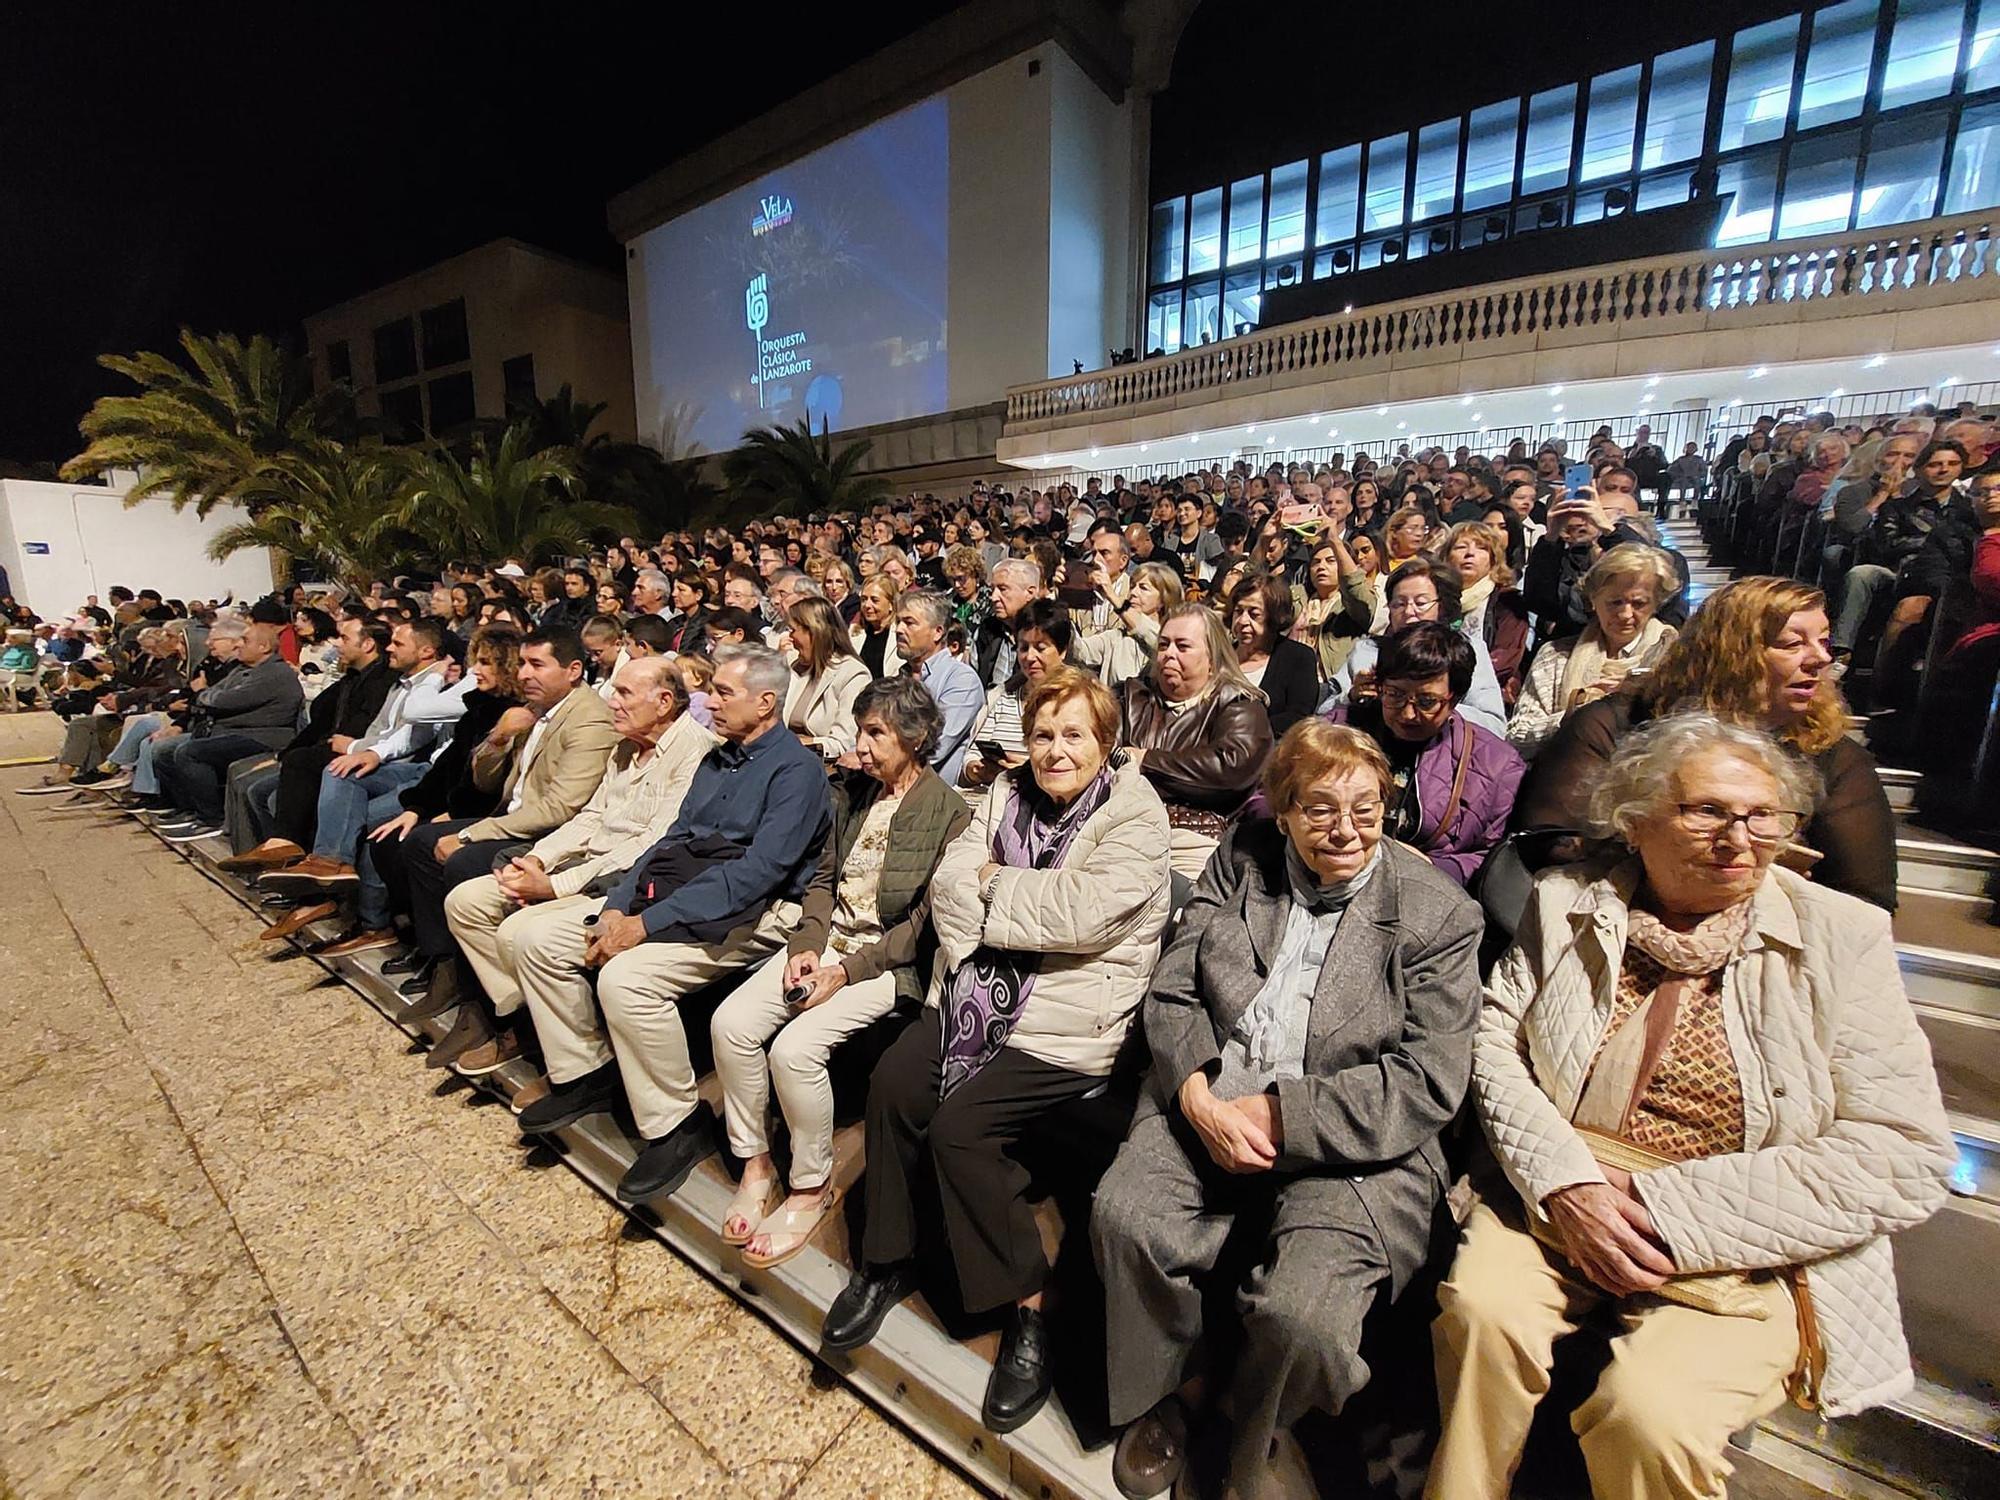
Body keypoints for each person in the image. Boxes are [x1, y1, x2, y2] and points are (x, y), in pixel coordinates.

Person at [1430, 714, 1955, 1500]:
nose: (1739, 836)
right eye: (1707, 810)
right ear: (1637, 822)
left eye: (1763, 814)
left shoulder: (1843, 936)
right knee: (1480, 1312)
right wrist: (1565, 1182)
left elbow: (1906, 1153)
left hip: (1753, 1226)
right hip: (1564, 1187)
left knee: (1653, 1414)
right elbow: (1493, 1043)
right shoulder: (1566, 899)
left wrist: (1665, 1208)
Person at [1093, 720, 1482, 1500]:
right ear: (1282, 809)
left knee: (1305, 1318)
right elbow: (1174, 988)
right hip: (1218, 1090)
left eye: (1366, 811)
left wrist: (1278, 1116)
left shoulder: (1438, 915)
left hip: (1356, 1144)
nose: (1346, 832)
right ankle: (1179, 1386)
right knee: (1125, 1213)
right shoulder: (1243, 861)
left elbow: (1427, 1081)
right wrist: (1199, 1097)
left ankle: (1249, 1430)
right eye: (1321, 811)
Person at [821, 669, 1173, 1435]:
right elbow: (950, 886)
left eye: (1073, 734)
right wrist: (1001, 898)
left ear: (1104, 742)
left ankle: (1030, 1309)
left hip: (1066, 1024)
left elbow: (1083, 915)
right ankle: (887, 1259)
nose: (1054, 750)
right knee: (893, 1084)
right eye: (1043, 733)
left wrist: (993, 890)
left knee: (961, 1129)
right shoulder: (1004, 792)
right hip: (975, 996)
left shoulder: (1133, 814)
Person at [511, 643, 833, 1204]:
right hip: (680, 893)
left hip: (751, 914)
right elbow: (670, 841)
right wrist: (618, 902)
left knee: (627, 978)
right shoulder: (717, 760)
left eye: (722, 693)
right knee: (533, 935)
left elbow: (756, 875)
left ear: (765, 703)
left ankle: (676, 1125)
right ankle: (585, 1071)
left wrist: (646, 923)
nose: (708, 701)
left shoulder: (797, 772)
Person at [710, 677, 972, 1265]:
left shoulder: (949, 813)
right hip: (827, 943)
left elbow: (920, 928)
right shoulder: (852, 793)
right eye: (861, 729)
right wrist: (807, 943)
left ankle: (810, 1185)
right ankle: (754, 1164)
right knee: (731, 1024)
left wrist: (845, 971)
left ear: (917, 736)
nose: (862, 744)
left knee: (794, 1051)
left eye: (876, 732)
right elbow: (824, 880)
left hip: (884, 963)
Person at [1514, 577, 1897, 912]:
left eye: (1824, 641)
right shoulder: (1618, 723)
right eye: (1791, 644)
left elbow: (1866, 896)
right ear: (1730, 653)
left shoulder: (1833, 754)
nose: (1821, 658)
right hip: (1615, 915)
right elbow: (1546, 840)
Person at [436, 655, 719, 1083]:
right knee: (466, 902)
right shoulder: (626, 745)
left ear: (664, 702)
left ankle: (584, 1062)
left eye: (623, 693)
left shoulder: (695, 751)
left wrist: (555, 886)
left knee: (523, 933)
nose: (612, 702)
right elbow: (591, 817)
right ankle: (530, 1022)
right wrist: (537, 860)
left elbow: (654, 843)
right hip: (586, 864)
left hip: (627, 879)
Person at [303, 626, 525, 954]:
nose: (475, 670)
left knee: (383, 835)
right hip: (444, 794)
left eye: (487, 663)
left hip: (479, 810)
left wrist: (440, 812)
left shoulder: (512, 714)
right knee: (339, 782)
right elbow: (449, 765)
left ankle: (389, 929)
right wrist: (416, 808)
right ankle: (334, 873)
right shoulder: (479, 704)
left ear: (508, 667)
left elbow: (491, 785)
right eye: (475, 661)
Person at [1323, 622, 1523, 888]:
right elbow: (1271, 799)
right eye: (1394, 695)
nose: (1407, 713)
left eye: (1427, 702)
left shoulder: (1497, 765)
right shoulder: (1333, 731)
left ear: (1455, 698)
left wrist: (1434, 867)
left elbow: (1494, 855)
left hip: (1425, 891)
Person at [1118, 604, 1275, 880]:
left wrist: (1146, 761)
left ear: (1212, 658)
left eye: (1183, 646)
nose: (1169, 654)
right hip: (1123, 826)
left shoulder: (1239, 704)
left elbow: (1229, 768)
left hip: (1193, 836)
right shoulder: (1132, 698)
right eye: (1164, 644)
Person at [1508, 548, 1680, 758]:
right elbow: (1517, 737)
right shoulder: (1556, 656)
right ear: (1592, 600)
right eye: (1615, 602)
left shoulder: (1674, 658)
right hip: (1567, 778)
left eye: (1639, 603)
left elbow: (1686, 735)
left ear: (1656, 603)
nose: (1625, 614)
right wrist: (1578, 712)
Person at [149, 623, 305, 841]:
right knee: (164, 751)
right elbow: (214, 695)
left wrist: (202, 693)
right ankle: (190, 809)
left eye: (246, 640)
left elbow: (223, 700)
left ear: (264, 646)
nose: (239, 644)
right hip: (229, 732)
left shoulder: (275, 674)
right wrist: (207, 696)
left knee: (190, 753)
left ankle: (211, 819)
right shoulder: (243, 669)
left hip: (262, 737)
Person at [1322, 558, 1510, 737]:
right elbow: (1321, 715)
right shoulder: (1367, 651)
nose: (1409, 612)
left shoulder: (1468, 650)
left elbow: (1493, 725)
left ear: (1441, 607)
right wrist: (1352, 697)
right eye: (1399, 604)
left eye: (1421, 603)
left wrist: (1431, 706)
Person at [961, 600, 1070, 788]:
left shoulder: (1076, 702)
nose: (1029, 657)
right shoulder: (1002, 696)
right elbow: (973, 752)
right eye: (1024, 648)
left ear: (1062, 651)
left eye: (1041, 648)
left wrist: (1028, 772)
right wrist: (974, 769)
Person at [893, 591, 984, 784]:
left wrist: (880, 753)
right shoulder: (898, 679)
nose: (899, 629)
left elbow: (935, 747)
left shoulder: (961, 679)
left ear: (938, 632)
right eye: (898, 622)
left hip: (932, 799)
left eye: (909, 623)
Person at [1444, 521, 1530, 705]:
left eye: (1481, 548)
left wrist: (1451, 681)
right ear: (1447, 557)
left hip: (1486, 695)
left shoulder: (1507, 601)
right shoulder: (1435, 600)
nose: (1469, 553)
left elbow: (1506, 657)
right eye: (1460, 547)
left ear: (1493, 559)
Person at [1225, 570, 1320, 735]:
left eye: (1254, 614)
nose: (1242, 621)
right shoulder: (1220, 656)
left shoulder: (1298, 657)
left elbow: (1299, 717)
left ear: (1274, 617)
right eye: (1238, 612)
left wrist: (1245, 730)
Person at [782, 596, 871, 760]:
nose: (789, 638)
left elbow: (844, 743)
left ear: (814, 632)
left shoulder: (853, 674)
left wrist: (802, 743)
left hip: (823, 766)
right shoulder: (795, 667)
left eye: (793, 630)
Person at [850, 576, 903, 679]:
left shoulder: (899, 634)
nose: (867, 605)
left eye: (874, 600)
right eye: (864, 599)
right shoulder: (854, 632)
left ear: (891, 605)